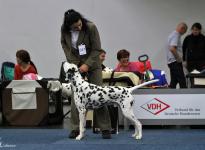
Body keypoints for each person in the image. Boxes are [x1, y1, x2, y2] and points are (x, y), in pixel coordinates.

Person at [61, 9, 111, 139]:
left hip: (93, 64)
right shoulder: (64, 30)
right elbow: (64, 45)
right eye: (75, 27)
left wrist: (86, 65)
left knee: (99, 95)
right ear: (68, 26)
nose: (78, 27)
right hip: (76, 66)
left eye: (79, 24)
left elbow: (96, 49)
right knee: (75, 98)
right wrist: (75, 63)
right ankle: (75, 128)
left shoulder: (91, 27)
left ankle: (105, 128)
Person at [166, 22, 188, 88]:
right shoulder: (176, 35)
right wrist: (178, 58)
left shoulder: (172, 34)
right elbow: (172, 48)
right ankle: (186, 97)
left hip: (171, 62)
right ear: (182, 29)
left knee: (174, 81)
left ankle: (170, 96)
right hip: (175, 62)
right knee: (182, 81)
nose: (183, 33)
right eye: (184, 31)